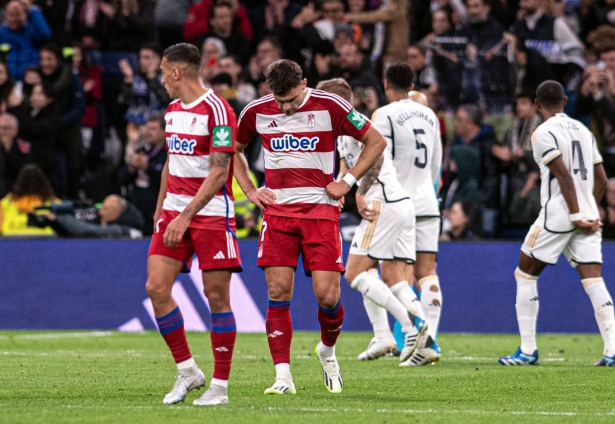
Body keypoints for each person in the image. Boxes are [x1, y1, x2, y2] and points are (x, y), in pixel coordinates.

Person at [233, 59, 386, 394]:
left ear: (303, 83)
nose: (285, 108)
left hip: (321, 212)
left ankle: (327, 351)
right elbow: (234, 149)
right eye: (279, 101)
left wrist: (346, 181)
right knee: (277, 293)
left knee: (328, 296)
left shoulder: (331, 105)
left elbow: (376, 141)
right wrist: (249, 189)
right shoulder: (256, 111)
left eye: (291, 100)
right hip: (278, 214)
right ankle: (283, 377)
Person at [145, 43, 241, 406]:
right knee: (156, 286)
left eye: (162, 72)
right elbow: (172, 162)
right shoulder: (171, 111)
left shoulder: (218, 109)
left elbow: (219, 172)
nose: (161, 79)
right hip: (173, 212)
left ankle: (219, 387)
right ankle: (187, 370)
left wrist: (187, 215)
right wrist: (161, 211)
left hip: (211, 215)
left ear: (175, 72)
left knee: (216, 297)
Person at [498, 80, 615, 367]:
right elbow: (601, 178)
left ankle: (527, 350)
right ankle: (612, 350)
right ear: (564, 100)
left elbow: (563, 176)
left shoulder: (542, 132)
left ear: (538, 105)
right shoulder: (584, 131)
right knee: (593, 279)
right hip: (587, 213)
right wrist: (591, 210)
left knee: (525, 274)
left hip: (560, 215)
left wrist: (575, 215)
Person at [319, 76, 429, 364]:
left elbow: (376, 155)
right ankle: (402, 337)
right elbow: (347, 161)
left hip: (383, 205)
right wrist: (341, 182)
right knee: (392, 278)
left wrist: (358, 192)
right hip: (399, 204)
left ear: (337, 102)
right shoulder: (344, 130)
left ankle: (408, 327)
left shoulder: (356, 125)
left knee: (354, 273)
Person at [371, 63, 443, 366]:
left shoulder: (383, 115)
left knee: (393, 274)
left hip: (397, 202)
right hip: (428, 199)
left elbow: (377, 158)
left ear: (386, 83)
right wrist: (431, 189)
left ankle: (411, 337)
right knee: (428, 272)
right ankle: (430, 342)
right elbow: (437, 161)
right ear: (412, 84)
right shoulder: (429, 115)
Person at [118, 114, 167, 236]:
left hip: (156, 206)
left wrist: (147, 168)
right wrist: (131, 168)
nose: (148, 132)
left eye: (153, 129)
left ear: (164, 132)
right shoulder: (140, 150)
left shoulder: (167, 153)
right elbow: (120, 180)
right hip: (136, 205)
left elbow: (166, 182)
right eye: (147, 128)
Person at [46, 194, 145, 238]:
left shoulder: (125, 228)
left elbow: (87, 229)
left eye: (105, 209)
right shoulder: (108, 219)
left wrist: (59, 218)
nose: (100, 212)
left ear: (117, 212)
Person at [0, 163, 58, 236]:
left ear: (19, 182)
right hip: (48, 244)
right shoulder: (55, 204)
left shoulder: (4, 203)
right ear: (43, 182)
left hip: (11, 243)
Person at [0, 1, 51, 82]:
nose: (14, 18)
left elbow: (45, 35)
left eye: (17, 14)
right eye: (11, 15)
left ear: (25, 15)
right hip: (7, 81)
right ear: (6, 15)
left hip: (30, 79)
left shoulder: (30, 30)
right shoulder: (2, 33)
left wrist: (32, 10)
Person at [0, 113, 30, 198]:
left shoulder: (23, 146)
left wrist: (7, 151)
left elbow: (24, 170)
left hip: (16, 193)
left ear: (15, 131)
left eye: (5, 128)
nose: (1, 132)